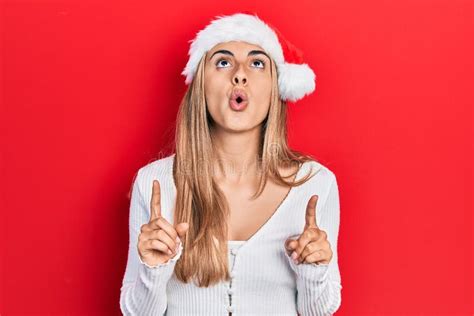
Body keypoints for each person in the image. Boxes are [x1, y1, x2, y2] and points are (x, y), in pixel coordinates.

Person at [119, 12, 342, 316]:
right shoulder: (155, 183)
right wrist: (153, 268)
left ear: (276, 87)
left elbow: (318, 310)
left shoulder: (315, 184)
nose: (239, 74)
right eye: (222, 62)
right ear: (201, 86)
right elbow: (137, 312)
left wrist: (313, 269)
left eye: (257, 62)